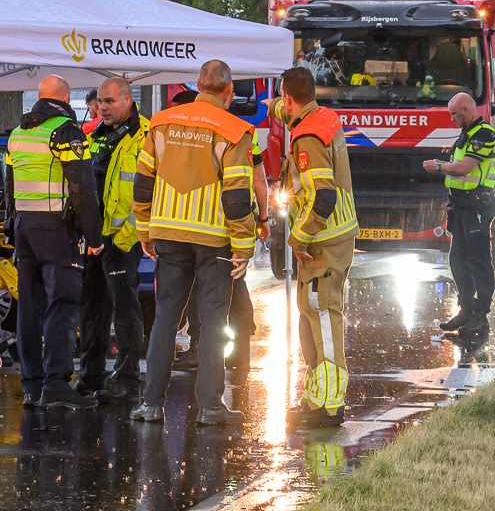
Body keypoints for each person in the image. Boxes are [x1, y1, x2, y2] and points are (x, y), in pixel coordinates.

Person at [130, 60, 256, 427]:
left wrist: (144, 231)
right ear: (228, 91)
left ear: (199, 84)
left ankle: (151, 404)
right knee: (213, 321)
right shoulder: (234, 130)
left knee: (166, 318)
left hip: (167, 234)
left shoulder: (162, 122)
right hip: (214, 240)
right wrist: (243, 246)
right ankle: (210, 407)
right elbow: (236, 196)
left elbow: (142, 184)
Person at [4, 75, 104, 409]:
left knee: (29, 307)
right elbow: (83, 188)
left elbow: (9, 184)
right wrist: (94, 235)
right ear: (64, 97)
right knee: (62, 304)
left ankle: (31, 384)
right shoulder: (65, 132)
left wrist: (11, 223)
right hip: (57, 229)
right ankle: (57, 385)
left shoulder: (18, 134)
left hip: (24, 228)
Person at [272, 66, 359, 421]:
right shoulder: (325, 116)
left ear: (290, 98)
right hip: (334, 237)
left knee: (322, 316)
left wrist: (298, 237)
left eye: (283, 99)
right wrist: (279, 105)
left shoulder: (307, 137)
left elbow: (323, 196)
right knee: (313, 314)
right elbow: (285, 108)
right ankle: (315, 397)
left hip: (320, 240)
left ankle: (328, 405)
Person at [76, 78, 150, 401]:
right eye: (100, 102)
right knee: (92, 309)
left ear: (128, 100)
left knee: (125, 310)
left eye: (109, 101)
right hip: (94, 237)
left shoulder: (145, 135)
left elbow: (148, 190)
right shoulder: (96, 134)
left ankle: (128, 380)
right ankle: (91, 376)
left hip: (122, 241)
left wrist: (124, 236)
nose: (102, 106)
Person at [424, 92, 495, 334]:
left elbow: (464, 167)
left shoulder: (485, 135)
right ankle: (466, 310)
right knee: (458, 260)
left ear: (467, 110)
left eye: (454, 114)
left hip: (478, 205)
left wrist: (438, 166)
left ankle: (481, 314)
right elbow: (458, 166)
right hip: (460, 206)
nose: (452, 119)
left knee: (478, 260)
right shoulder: (467, 134)